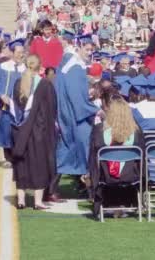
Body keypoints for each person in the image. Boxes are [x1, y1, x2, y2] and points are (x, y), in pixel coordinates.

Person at [53, 36, 99, 198]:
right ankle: (91, 190)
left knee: (66, 150)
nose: (89, 53)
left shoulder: (69, 64)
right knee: (85, 149)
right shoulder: (75, 68)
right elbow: (77, 98)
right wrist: (93, 109)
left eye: (91, 50)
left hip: (67, 113)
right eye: (86, 49)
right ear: (78, 47)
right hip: (75, 116)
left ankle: (50, 189)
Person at [10, 54, 57, 210]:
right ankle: (37, 201)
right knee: (39, 165)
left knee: (22, 164)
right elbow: (51, 110)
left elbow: (13, 110)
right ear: (40, 66)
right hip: (39, 133)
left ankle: (21, 200)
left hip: (20, 131)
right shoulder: (45, 84)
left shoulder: (18, 83)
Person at [89, 93, 143, 218]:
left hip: (105, 176)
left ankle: (108, 205)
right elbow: (143, 160)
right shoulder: (136, 132)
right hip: (131, 176)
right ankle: (127, 204)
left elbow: (92, 160)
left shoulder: (99, 130)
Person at [0, 39, 26, 155]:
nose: (21, 54)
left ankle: (18, 153)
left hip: (21, 106)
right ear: (12, 53)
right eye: (18, 52)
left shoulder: (25, 69)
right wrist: (0, 95)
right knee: (6, 129)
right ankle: (8, 155)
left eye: (22, 52)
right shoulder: (2, 67)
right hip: (5, 106)